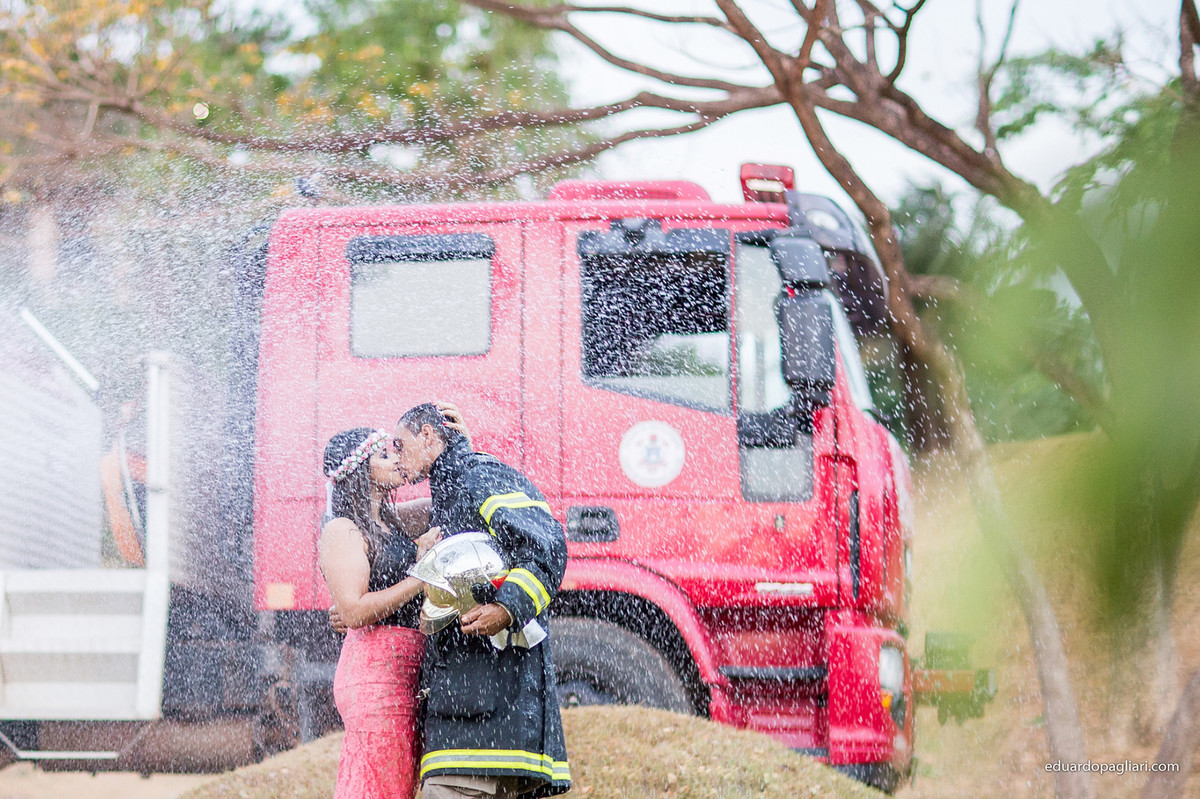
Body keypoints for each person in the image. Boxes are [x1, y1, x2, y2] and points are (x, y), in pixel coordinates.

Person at [391, 402, 571, 799]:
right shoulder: (454, 487)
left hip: (484, 723)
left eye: (399, 445)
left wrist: (506, 609)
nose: (395, 459)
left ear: (427, 435)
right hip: (473, 710)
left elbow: (546, 545)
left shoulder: (478, 476)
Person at [318, 405, 471, 799]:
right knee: (379, 785)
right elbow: (352, 611)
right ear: (360, 470)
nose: (397, 460)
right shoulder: (342, 529)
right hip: (374, 674)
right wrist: (422, 575)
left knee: (394, 783)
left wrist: (455, 443)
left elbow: (455, 498)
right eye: (386, 455)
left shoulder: (392, 520)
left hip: (403, 671)